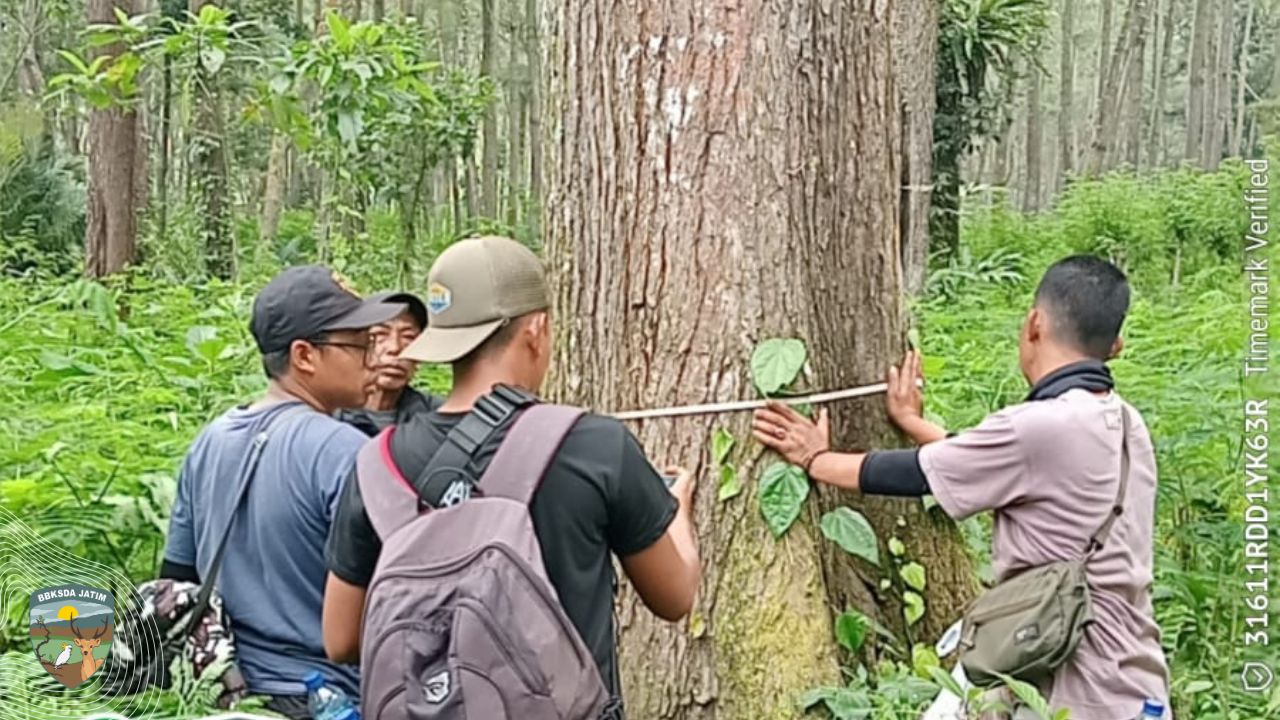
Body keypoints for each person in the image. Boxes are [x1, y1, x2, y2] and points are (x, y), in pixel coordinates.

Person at [752, 256, 1170, 720]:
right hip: (1137, 680)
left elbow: (922, 473)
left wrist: (817, 459)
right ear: (1115, 346)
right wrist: (913, 422)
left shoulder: (1040, 426)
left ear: (1034, 324)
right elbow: (992, 462)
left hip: (1074, 681)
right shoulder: (1124, 421)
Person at [322, 236, 702, 716]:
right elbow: (674, 597)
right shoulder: (594, 444)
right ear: (537, 330)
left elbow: (340, 640)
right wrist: (678, 514)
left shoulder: (378, 464)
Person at [161, 265, 405, 719]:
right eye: (358, 344)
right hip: (326, 697)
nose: (373, 358)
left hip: (226, 693)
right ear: (304, 356)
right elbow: (398, 596)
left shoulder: (211, 440)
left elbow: (177, 577)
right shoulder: (347, 451)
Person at [335, 290, 441, 436]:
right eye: (380, 334)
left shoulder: (436, 416)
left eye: (408, 337)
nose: (394, 347)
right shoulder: (328, 412)